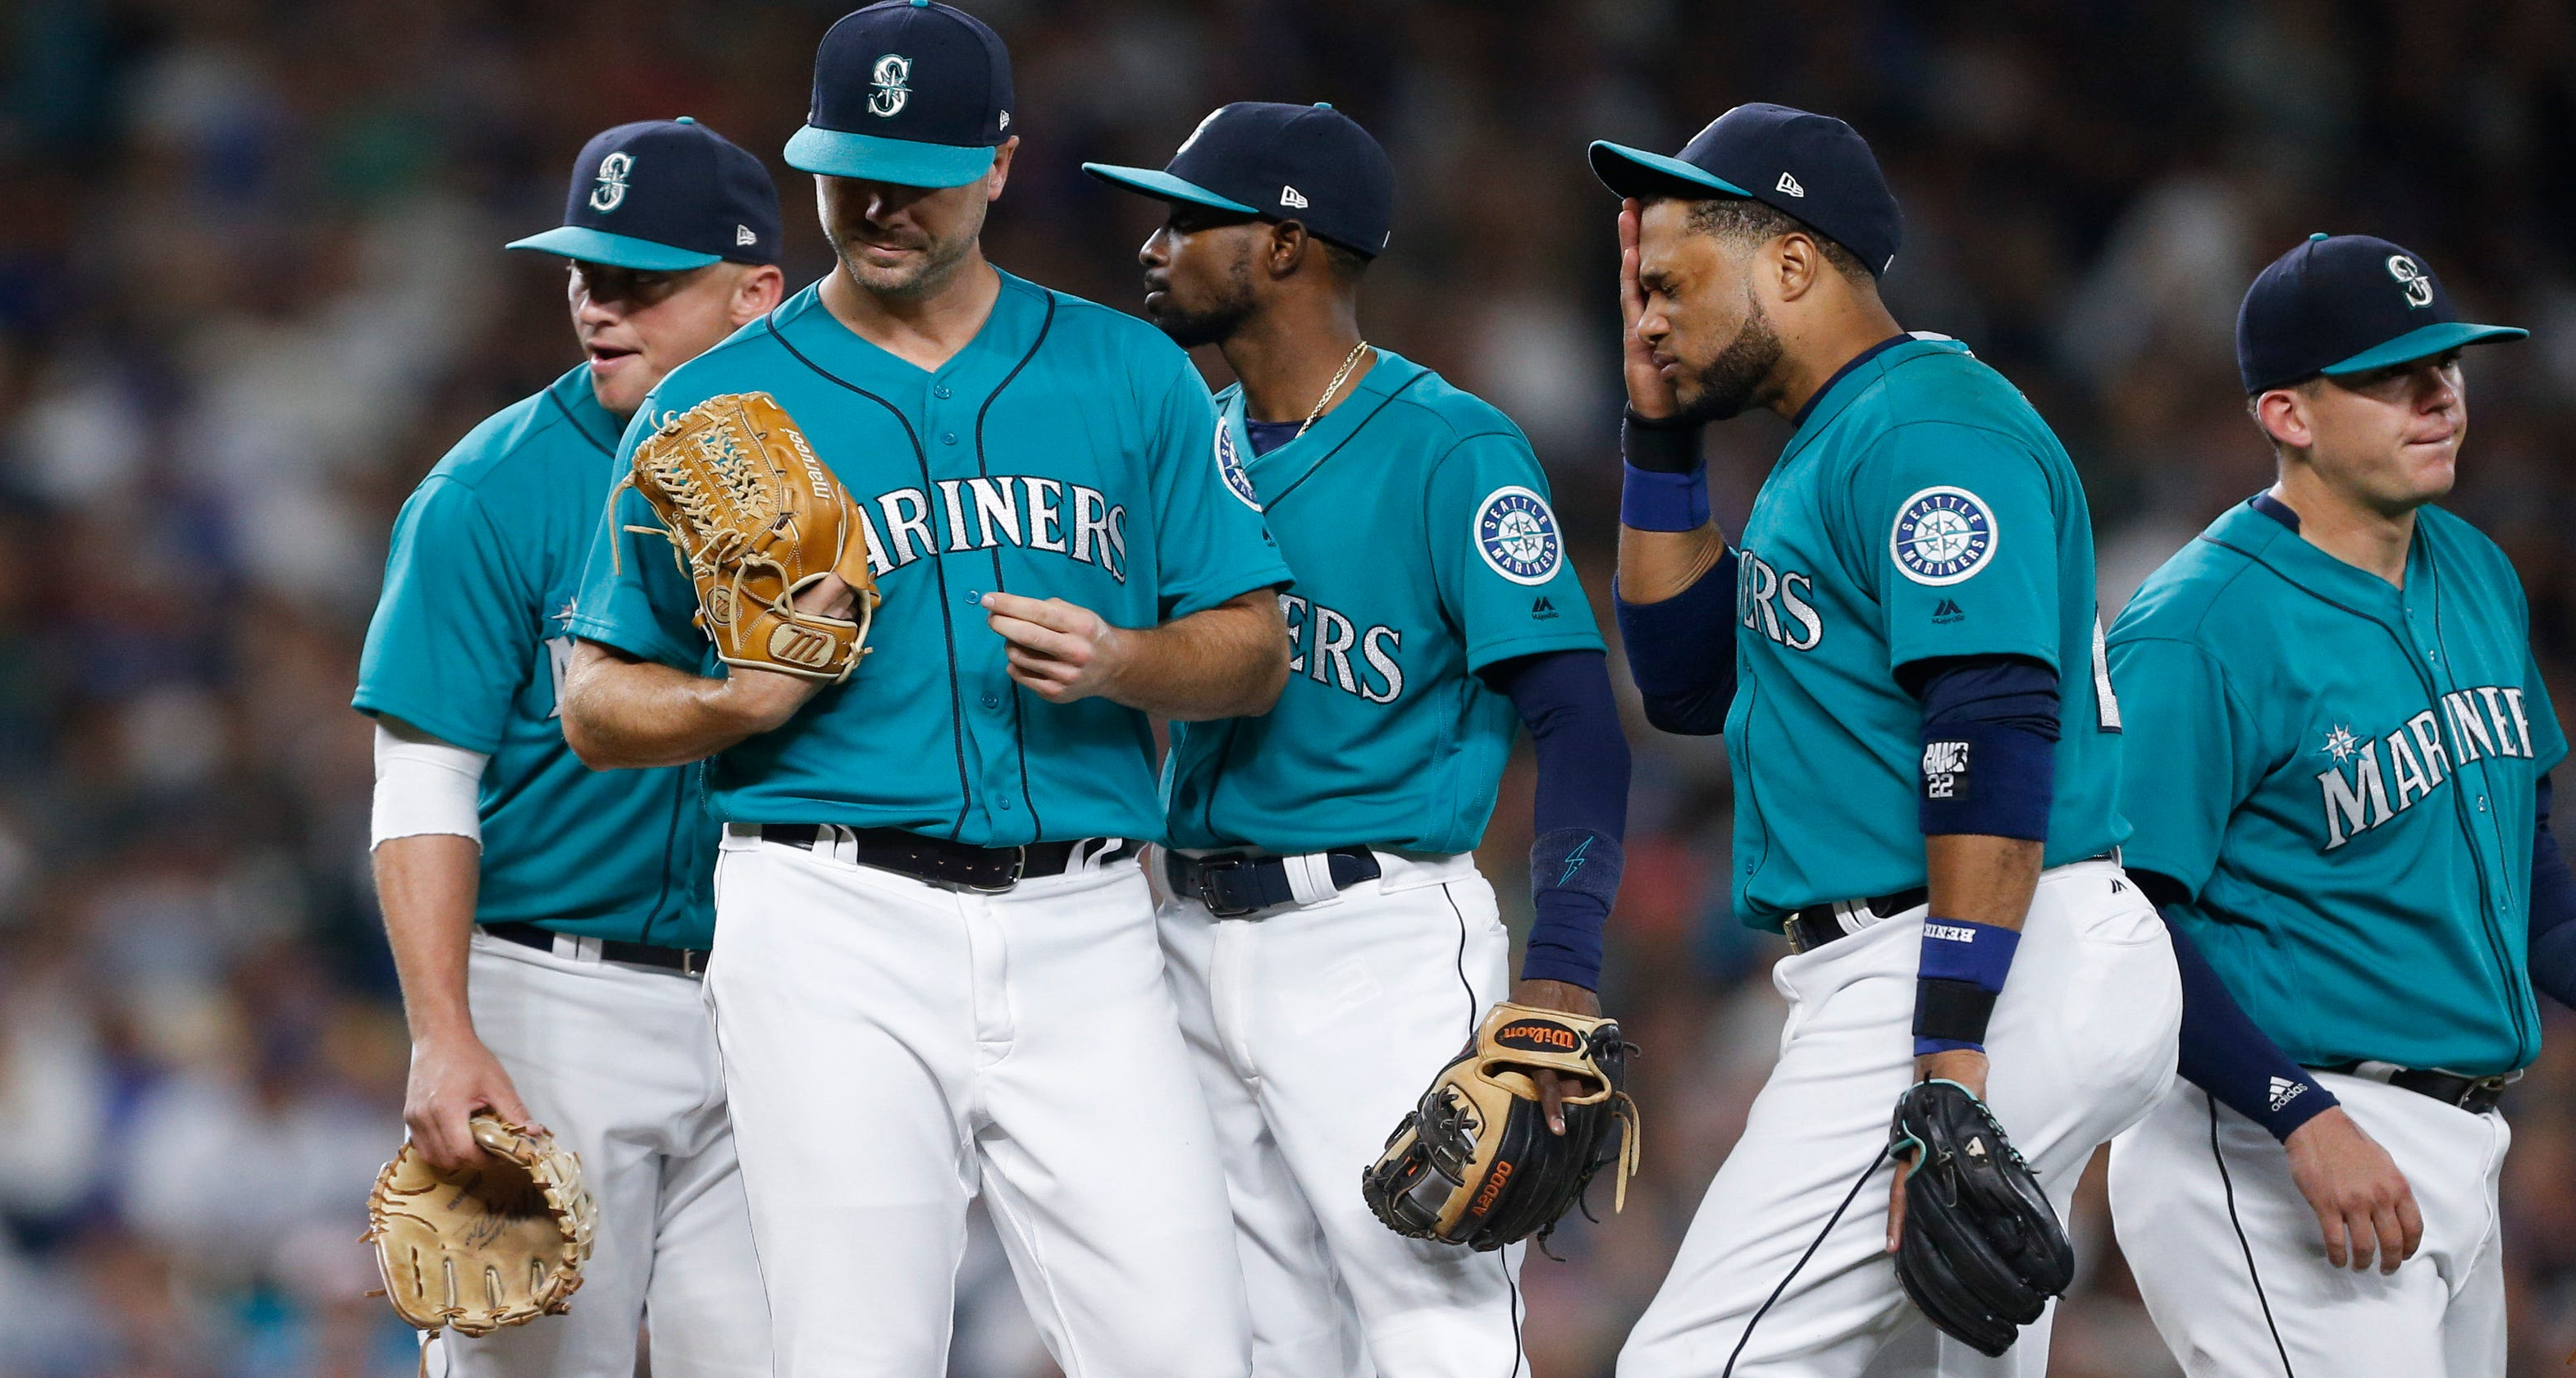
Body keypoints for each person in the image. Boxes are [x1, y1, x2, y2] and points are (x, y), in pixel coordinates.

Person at [555, 5, 1291, 1376]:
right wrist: (732, 707)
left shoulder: (1126, 368)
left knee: (1189, 1346)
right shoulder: (711, 405)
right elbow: (593, 699)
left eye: (923, 166)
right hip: (829, 917)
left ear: (1000, 165)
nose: (882, 199)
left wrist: (1127, 660)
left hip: (1087, 920)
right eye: (850, 167)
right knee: (854, 1351)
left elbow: (1256, 644)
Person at [1589, 103, 2181, 1376]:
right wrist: (1660, 432)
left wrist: (1950, 1060)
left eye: (1674, 284)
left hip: (1977, 957)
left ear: (1792, 266)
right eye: (1642, 293)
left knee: (1698, 1363)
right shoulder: (1839, 440)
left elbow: (1995, 728)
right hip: (1969, 954)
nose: (1646, 317)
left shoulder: (1923, 428)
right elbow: (1688, 681)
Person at [1083, 102, 1633, 1377]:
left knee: (1432, 1332)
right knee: (1264, 1347)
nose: (1154, 244)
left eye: (1188, 221)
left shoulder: (1452, 449)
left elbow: (1580, 724)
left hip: (1371, 939)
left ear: (1285, 246)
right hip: (1188, 933)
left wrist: (1561, 968)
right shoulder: (1186, 447)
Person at [352, 116, 783, 1376]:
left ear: (755, 292)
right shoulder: (491, 489)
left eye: (643, 283)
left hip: (780, 986)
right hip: (556, 1002)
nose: (600, 307)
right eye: (587, 275)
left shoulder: (833, 466)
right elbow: (423, 779)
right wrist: (442, 1031)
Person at [2105, 232, 2574, 1376]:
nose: (2437, 396)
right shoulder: (2197, 624)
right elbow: (2120, 921)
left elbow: (2530, 859)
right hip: (2277, 1142)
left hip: (2459, 1145)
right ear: (2289, 415)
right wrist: (2294, 1113)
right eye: (2387, 376)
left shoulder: (2472, 567)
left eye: (2447, 365)